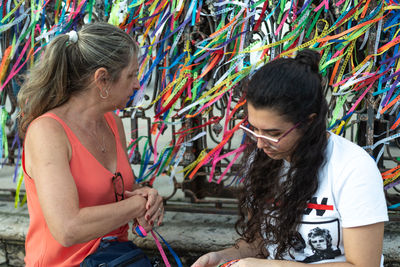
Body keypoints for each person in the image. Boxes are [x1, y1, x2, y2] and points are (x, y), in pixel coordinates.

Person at [191, 49, 388, 267]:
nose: (260, 143)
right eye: (254, 129)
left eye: (273, 133)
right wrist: (223, 257)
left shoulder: (353, 168)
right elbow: (264, 243)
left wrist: (275, 266)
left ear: (309, 122)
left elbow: (364, 265)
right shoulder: (262, 159)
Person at [17, 22, 164, 266]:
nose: (138, 84)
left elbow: (110, 190)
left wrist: (146, 197)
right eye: (132, 75)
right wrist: (134, 206)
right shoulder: (48, 132)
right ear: (102, 79)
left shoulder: (111, 122)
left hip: (115, 257)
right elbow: (67, 228)